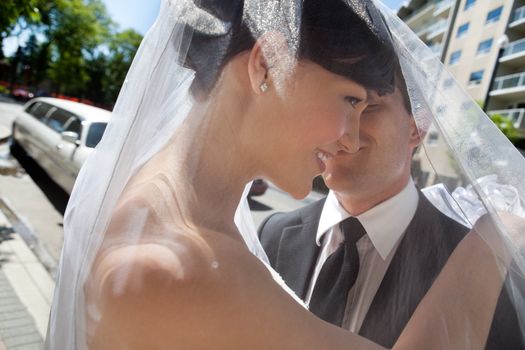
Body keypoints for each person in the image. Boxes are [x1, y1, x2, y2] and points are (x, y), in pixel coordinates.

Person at [45, 0, 525, 349]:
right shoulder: (172, 265)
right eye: (350, 100)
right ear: (266, 65)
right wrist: (496, 232)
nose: (349, 137)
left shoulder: (190, 216)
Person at [258, 66, 524, 349]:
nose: (337, 128)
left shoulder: (482, 269)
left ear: (417, 127)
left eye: (366, 105)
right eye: (328, 102)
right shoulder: (271, 234)